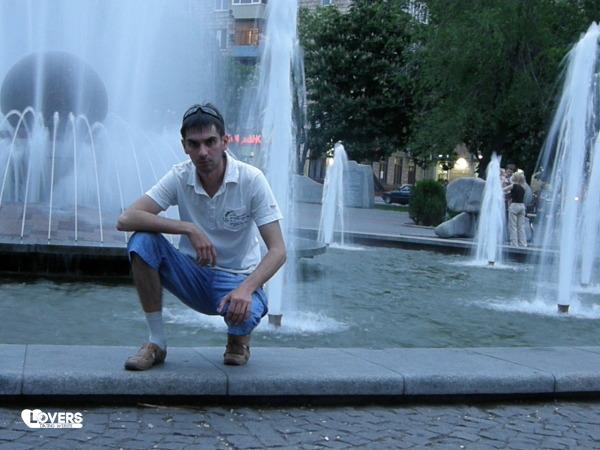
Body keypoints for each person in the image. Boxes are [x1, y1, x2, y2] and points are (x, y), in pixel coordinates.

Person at [116, 103, 286, 370]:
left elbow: (278, 250)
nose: (203, 152)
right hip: (192, 273)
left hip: (237, 278)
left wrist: (246, 288)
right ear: (184, 146)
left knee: (245, 313)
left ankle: (238, 340)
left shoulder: (251, 179)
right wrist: (188, 228)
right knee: (142, 242)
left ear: (225, 142)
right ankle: (156, 343)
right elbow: (126, 219)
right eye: (194, 144)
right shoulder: (180, 176)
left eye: (210, 142)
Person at [504, 171, 528, 247]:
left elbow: (503, 189)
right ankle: (523, 243)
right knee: (521, 226)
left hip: (514, 206)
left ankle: (514, 243)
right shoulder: (524, 187)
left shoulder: (513, 185)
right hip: (522, 206)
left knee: (513, 226)